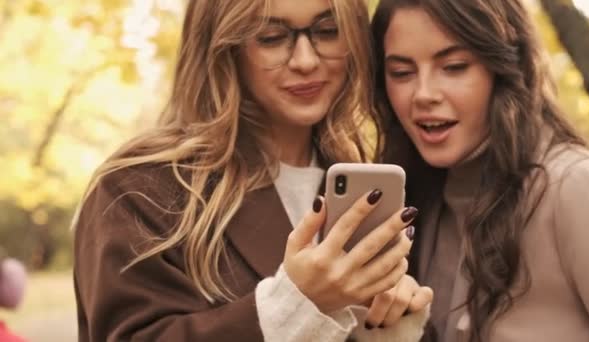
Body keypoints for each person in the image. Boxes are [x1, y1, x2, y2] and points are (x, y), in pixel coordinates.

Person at [73, 0, 433, 341]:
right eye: (271, 37)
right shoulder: (140, 189)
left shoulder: (362, 187)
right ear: (223, 46)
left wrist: (385, 328)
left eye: (327, 31)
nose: (306, 60)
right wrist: (295, 306)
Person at [371, 0, 589, 341]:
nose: (423, 94)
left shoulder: (575, 188)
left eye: (453, 67)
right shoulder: (418, 203)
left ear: (503, 68)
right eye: (402, 73)